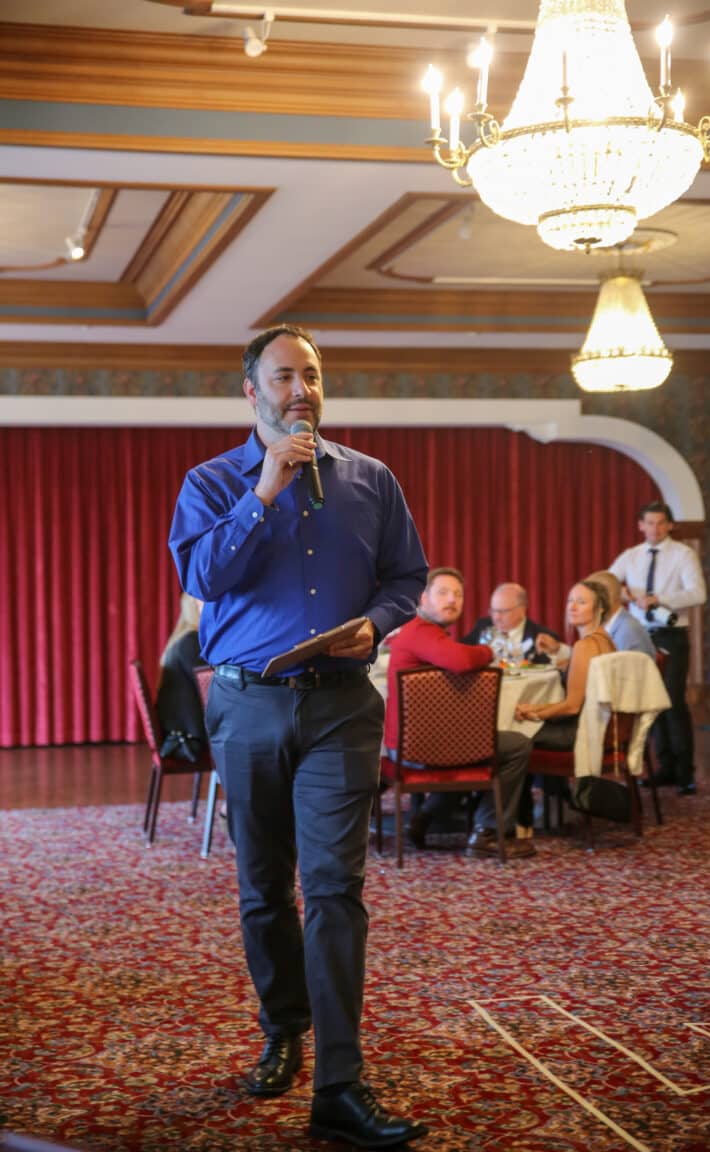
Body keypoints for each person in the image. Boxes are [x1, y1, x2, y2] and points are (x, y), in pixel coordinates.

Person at [168, 324, 429, 1149]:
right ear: (253, 391)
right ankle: (283, 1028)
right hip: (247, 708)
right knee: (262, 889)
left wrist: (377, 626)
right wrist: (265, 491)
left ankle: (339, 1082)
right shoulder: (210, 483)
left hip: (344, 705)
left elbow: (408, 578)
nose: (302, 389)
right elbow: (202, 579)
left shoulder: (372, 480)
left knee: (335, 888)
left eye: (311, 375)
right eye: (284, 377)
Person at [385, 567, 535, 859]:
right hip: (416, 747)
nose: (452, 600)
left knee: (472, 747)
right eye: (443, 593)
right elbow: (460, 660)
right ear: (423, 598)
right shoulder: (420, 631)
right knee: (516, 745)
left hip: (422, 743)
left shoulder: (428, 633)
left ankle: (425, 817)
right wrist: (488, 652)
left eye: (458, 594)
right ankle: (487, 833)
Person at [609, 500, 706, 795]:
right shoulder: (631, 555)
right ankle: (664, 769)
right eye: (649, 523)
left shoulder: (683, 554)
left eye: (661, 523)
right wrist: (624, 593)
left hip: (670, 635)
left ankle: (685, 773)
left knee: (673, 702)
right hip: (639, 636)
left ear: (670, 525)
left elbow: (698, 593)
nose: (655, 528)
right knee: (650, 703)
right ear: (640, 525)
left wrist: (659, 598)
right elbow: (606, 583)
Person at [515, 580, 616, 748]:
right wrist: (534, 708)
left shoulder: (585, 645)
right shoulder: (606, 639)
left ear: (600, 609)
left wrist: (534, 714)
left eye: (581, 602)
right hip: (598, 727)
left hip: (579, 732)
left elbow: (572, 707)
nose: (572, 607)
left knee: (513, 734)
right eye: (570, 600)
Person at [536, 571, 657, 667]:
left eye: (584, 599)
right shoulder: (611, 624)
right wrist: (558, 649)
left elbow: (622, 679)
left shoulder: (627, 630)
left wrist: (572, 668)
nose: (573, 607)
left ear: (605, 598)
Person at [155, 592, 207, 762]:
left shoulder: (182, 639)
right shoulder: (191, 642)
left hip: (182, 735)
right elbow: (211, 690)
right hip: (190, 741)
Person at [463, 582, 559, 664]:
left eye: (503, 611)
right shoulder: (482, 626)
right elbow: (461, 650)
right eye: (493, 611)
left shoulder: (543, 637)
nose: (496, 617)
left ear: (522, 609)